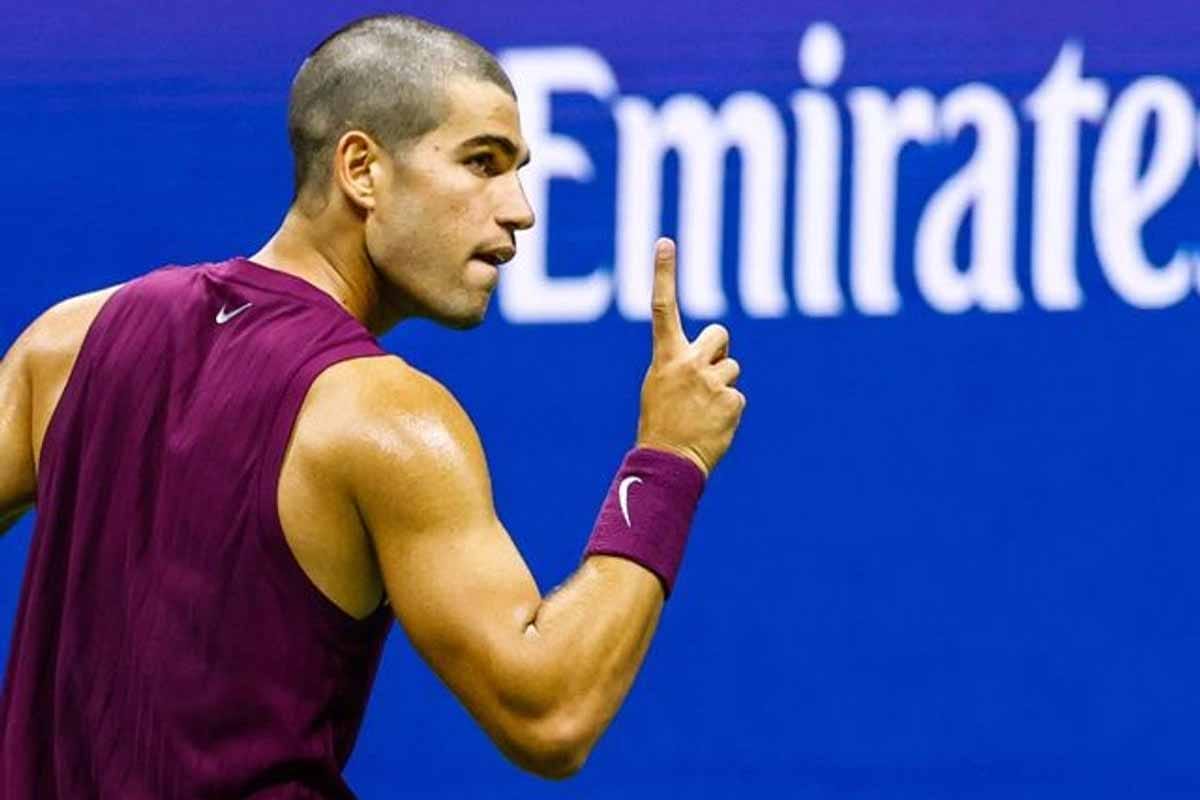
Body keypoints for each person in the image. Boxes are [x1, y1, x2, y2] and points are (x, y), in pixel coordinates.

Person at [0, 13, 744, 798]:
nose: (521, 208)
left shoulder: (66, 342)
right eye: (482, 163)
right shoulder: (384, 416)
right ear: (362, 170)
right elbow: (550, 713)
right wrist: (669, 459)